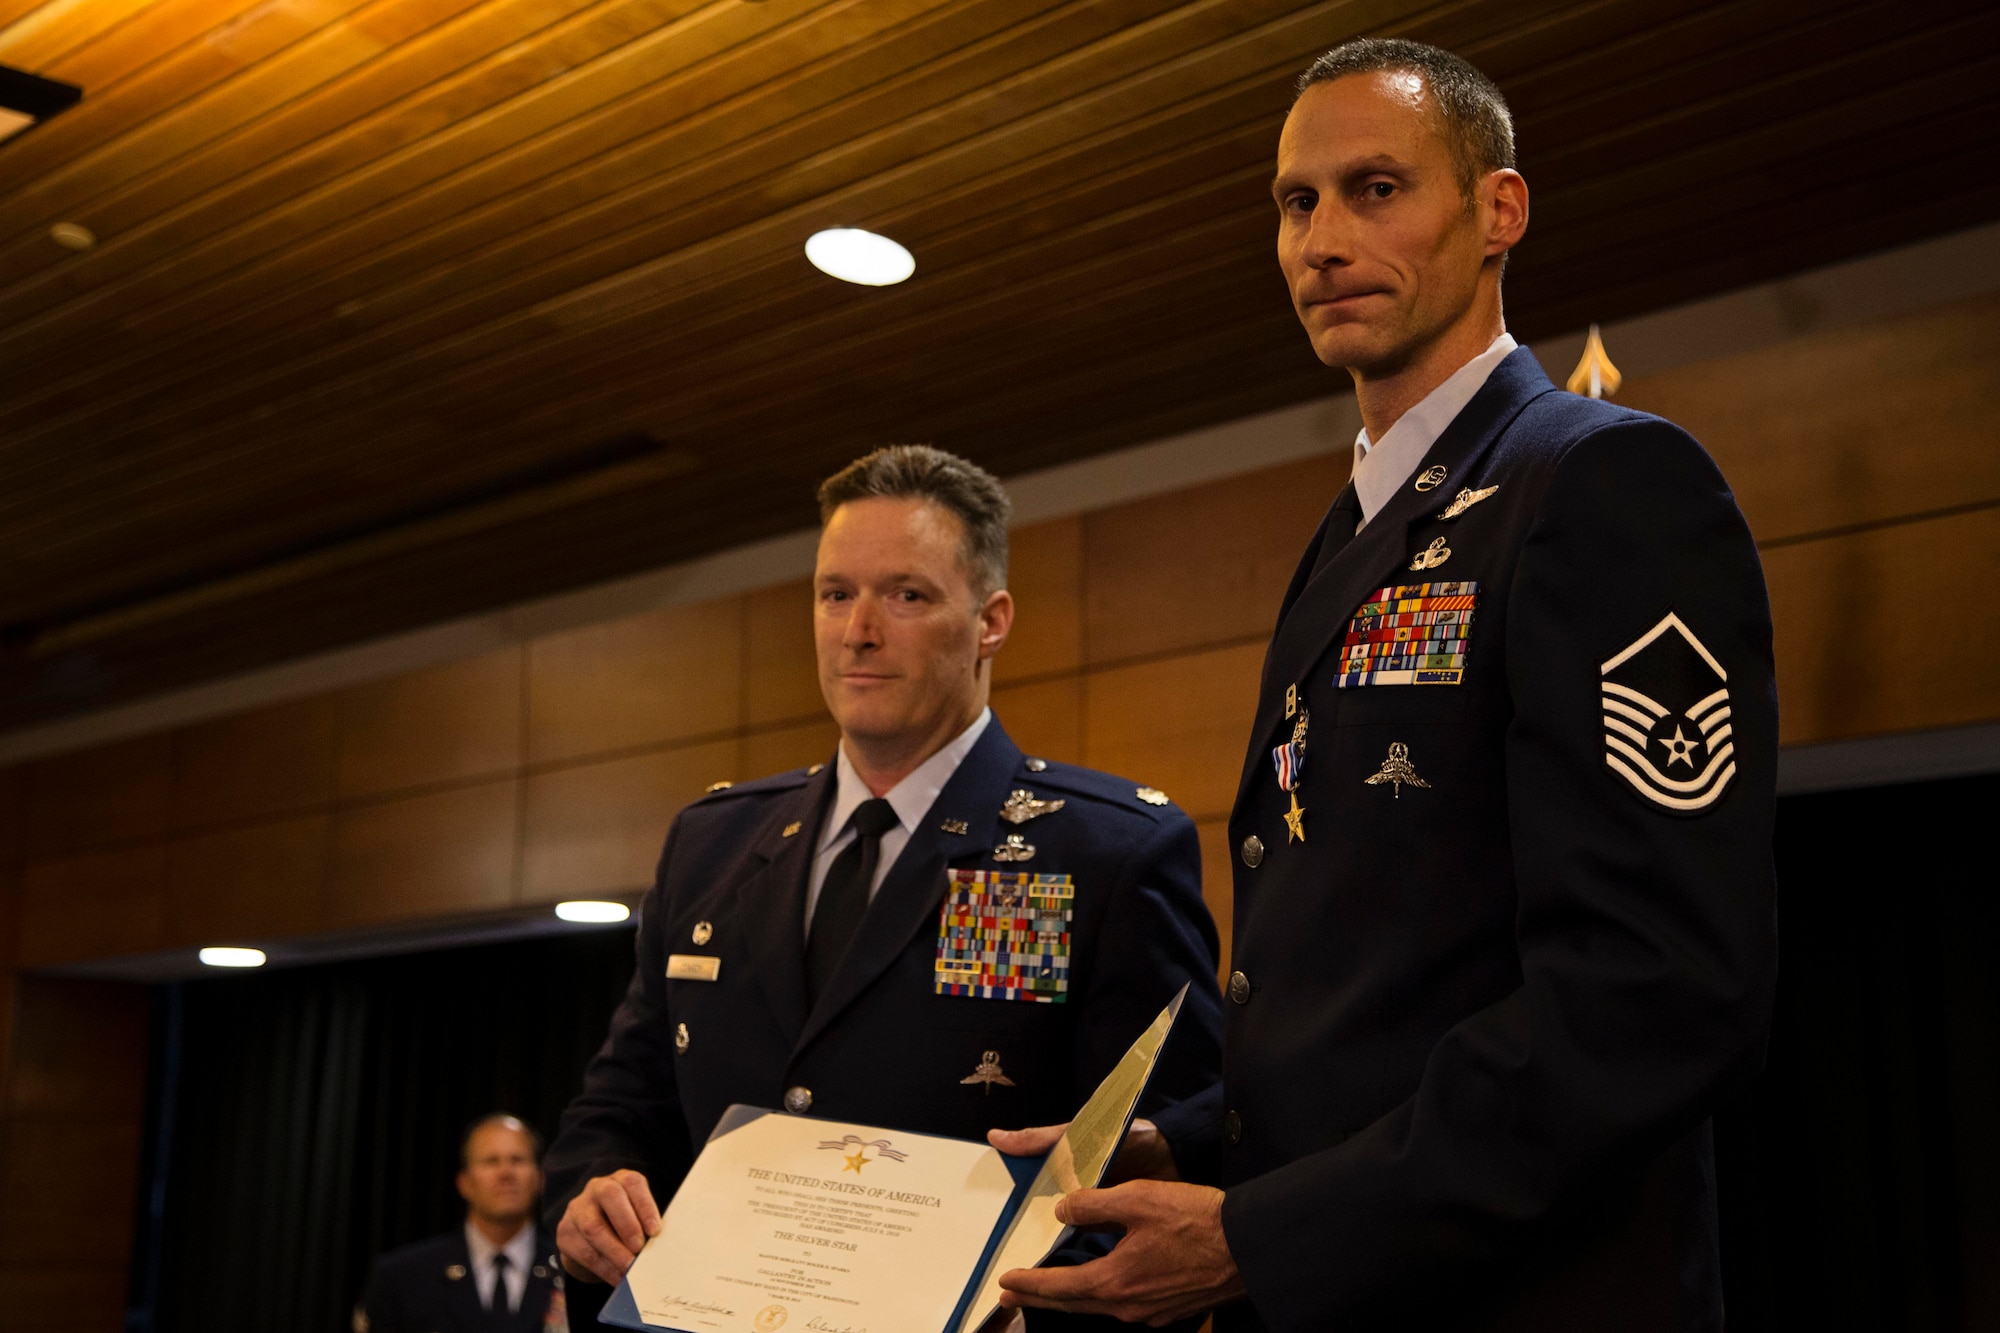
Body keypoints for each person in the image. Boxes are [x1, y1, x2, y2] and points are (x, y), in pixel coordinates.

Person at [990, 38, 1779, 1333]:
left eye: (1376, 189)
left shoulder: (1600, 482)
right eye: (1296, 203)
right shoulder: (1356, 527)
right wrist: (1185, 1151)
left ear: (1498, 213)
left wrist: (1263, 1234)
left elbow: (1657, 994)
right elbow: (1372, 997)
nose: (1322, 240)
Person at [541, 445, 1225, 1299]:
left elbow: (1179, 1144)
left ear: (992, 620)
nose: (859, 629)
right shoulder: (712, 846)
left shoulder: (1104, 851)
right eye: (836, 594)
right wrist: (592, 1190)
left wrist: (1039, 1303)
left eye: (906, 595)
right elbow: (619, 1107)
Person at [355, 1114, 566, 1333]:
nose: (506, 1173)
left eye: (518, 1160)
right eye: (491, 1161)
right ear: (464, 1182)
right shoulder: (402, 1278)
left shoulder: (571, 1272)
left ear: (540, 1178)